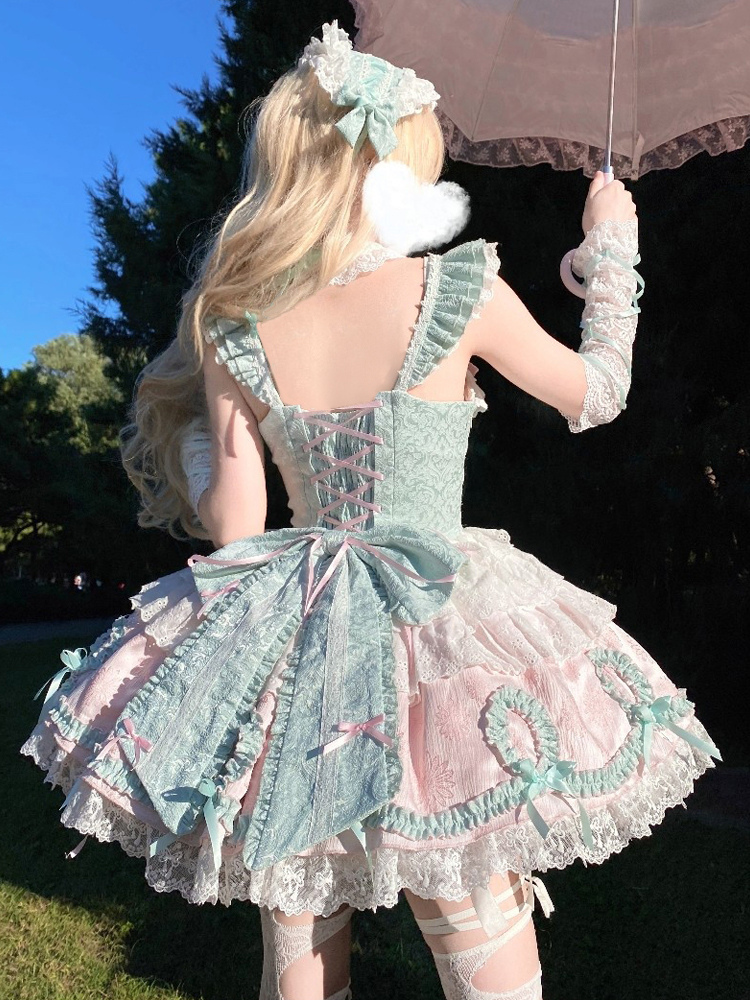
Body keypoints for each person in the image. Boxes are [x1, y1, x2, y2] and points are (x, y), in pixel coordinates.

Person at [21, 21, 720, 1000]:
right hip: (441, 623)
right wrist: (611, 250)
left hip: (292, 630)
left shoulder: (235, 320)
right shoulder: (459, 287)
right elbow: (596, 393)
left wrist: (201, 439)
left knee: (299, 926)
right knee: (475, 913)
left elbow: (235, 532)